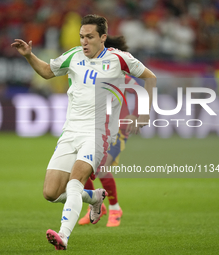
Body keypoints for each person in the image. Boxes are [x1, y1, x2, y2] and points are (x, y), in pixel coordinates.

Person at [11, 14, 156, 250]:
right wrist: (29, 56)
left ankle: (63, 235)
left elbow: (150, 78)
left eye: (89, 37)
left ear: (103, 38)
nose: (84, 42)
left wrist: (144, 114)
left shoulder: (119, 59)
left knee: (75, 181)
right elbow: (48, 71)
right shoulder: (73, 56)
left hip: (98, 134)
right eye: (81, 37)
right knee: (50, 192)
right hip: (70, 132)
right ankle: (95, 198)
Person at [78, 35, 141, 228]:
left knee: (101, 168)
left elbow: (139, 90)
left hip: (118, 129)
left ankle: (115, 208)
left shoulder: (119, 75)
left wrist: (136, 115)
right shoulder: (91, 72)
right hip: (94, 127)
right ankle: (96, 207)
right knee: (82, 168)